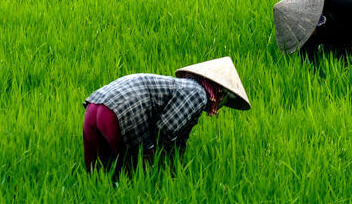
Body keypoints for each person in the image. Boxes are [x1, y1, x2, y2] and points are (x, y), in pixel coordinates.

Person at [81, 57, 250, 179]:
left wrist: (176, 162)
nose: (221, 108)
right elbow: (166, 129)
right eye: (226, 101)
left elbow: (180, 139)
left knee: (97, 175)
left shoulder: (183, 87)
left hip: (95, 107)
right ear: (220, 93)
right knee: (139, 173)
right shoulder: (198, 93)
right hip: (122, 111)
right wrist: (164, 165)